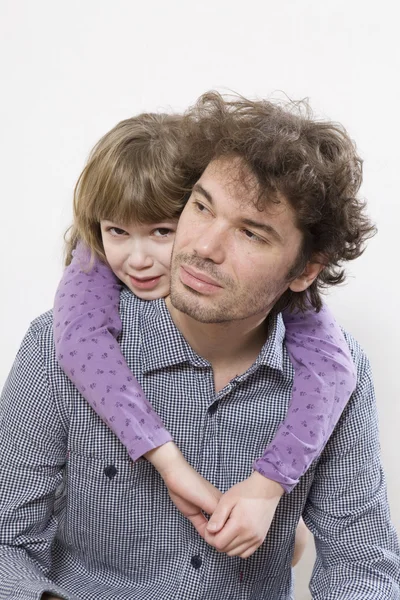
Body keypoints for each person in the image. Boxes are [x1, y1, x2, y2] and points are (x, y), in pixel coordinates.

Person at [1, 93, 399, 599]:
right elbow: (5, 542)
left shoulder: (340, 375)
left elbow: (361, 567)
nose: (204, 248)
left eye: (251, 233)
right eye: (202, 206)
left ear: (305, 271)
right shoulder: (58, 346)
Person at [52, 110, 356, 559]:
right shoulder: (88, 272)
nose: (138, 260)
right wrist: (168, 462)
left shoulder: (303, 315)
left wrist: (271, 487)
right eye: (118, 231)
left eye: (161, 231)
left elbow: (334, 370)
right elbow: (79, 341)